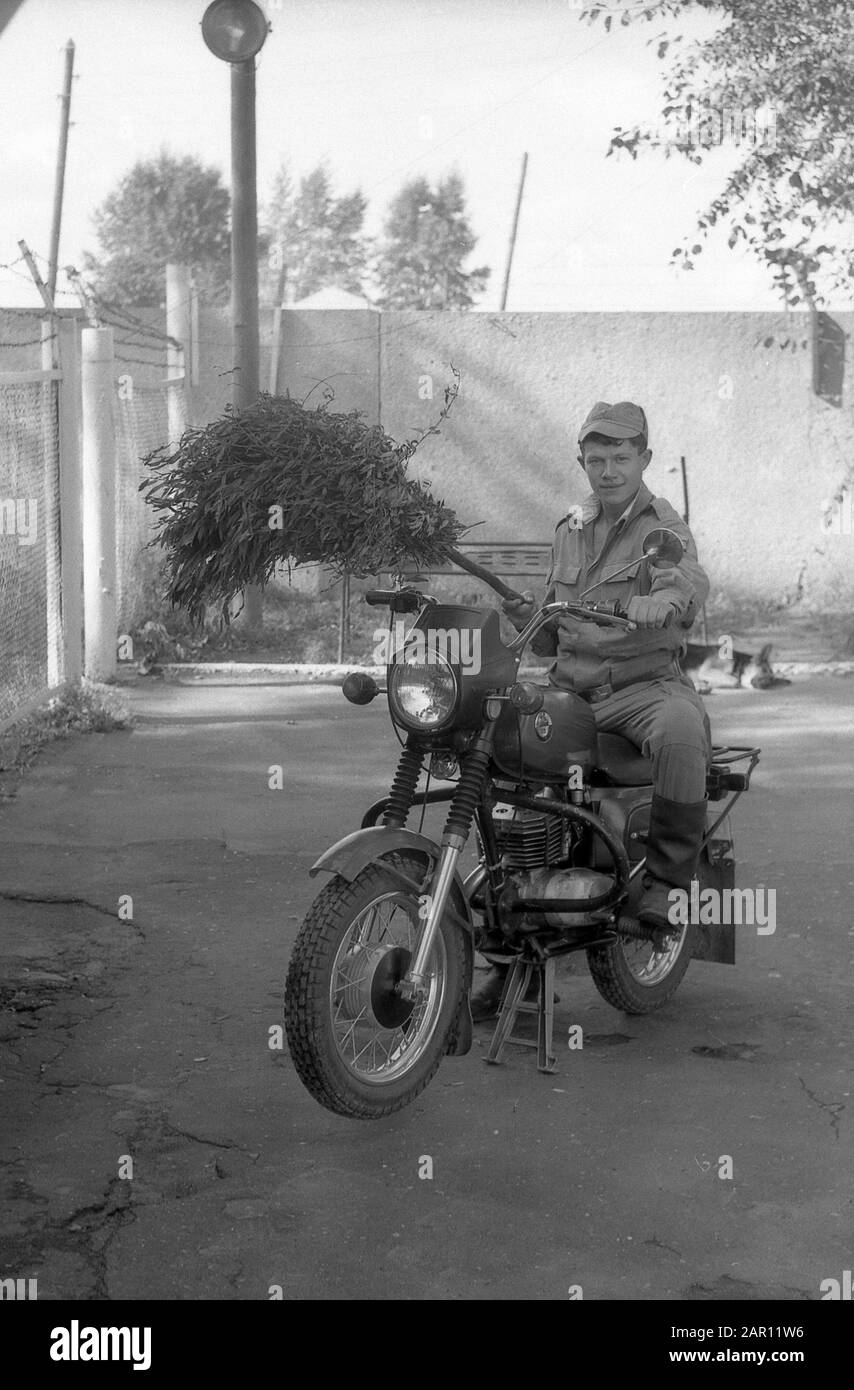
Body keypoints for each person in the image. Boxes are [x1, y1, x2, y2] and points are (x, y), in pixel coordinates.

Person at [471, 400, 712, 1022]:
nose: (608, 471)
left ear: (644, 460)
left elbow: (683, 577)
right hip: (570, 692)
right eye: (596, 459)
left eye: (621, 458)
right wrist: (533, 622)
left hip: (639, 689)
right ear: (582, 462)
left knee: (684, 730)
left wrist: (665, 603)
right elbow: (555, 637)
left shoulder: (663, 526)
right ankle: (509, 960)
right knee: (496, 761)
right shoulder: (570, 527)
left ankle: (665, 884)